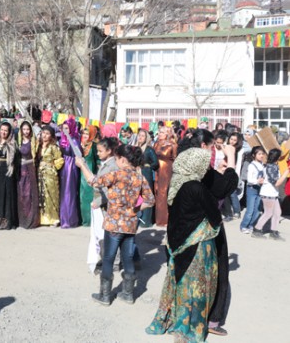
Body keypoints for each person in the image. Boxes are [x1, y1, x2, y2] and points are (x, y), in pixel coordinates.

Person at [146, 147, 225, 342]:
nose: (206, 170)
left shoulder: (177, 184)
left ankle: (175, 320)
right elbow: (215, 217)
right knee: (196, 287)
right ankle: (189, 328)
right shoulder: (197, 188)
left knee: (179, 282)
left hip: (177, 242)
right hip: (197, 244)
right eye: (204, 166)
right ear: (196, 166)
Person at [77, 144, 155, 306]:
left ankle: (105, 295)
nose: (115, 161)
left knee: (108, 258)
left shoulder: (116, 175)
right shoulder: (139, 177)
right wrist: (134, 209)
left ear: (123, 160)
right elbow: (150, 200)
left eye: (117, 158)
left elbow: (93, 181)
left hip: (114, 223)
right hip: (131, 223)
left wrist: (82, 165)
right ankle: (128, 293)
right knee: (127, 258)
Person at [86, 137, 119, 274]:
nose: (98, 154)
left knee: (111, 234)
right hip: (103, 204)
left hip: (107, 204)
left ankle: (114, 262)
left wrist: (98, 202)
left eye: (100, 151)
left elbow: (108, 190)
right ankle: (109, 259)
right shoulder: (105, 164)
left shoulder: (112, 166)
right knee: (105, 233)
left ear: (109, 151)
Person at [252, 148, 288, 240]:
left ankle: (273, 232)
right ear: (278, 157)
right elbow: (276, 183)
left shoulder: (271, 166)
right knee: (268, 213)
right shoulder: (271, 167)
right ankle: (256, 230)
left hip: (272, 193)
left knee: (277, 212)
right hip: (268, 193)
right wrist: (286, 173)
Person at [0, 122, 19, 229]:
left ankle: (6, 222)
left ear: (9, 132)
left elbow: (15, 161)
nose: (3, 132)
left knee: (6, 195)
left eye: (6, 130)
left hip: (7, 172)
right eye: (2, 130)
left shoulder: (12, 144)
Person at [36, 125, 64, 226]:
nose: (45, 135)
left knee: (51, 195)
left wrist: (52, 167)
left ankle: (53, 218)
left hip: (50, 174)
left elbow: (60, 160)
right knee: (41, 195)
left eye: (47, 134)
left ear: (51, 136)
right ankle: (43, 219)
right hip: (39, 174)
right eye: (43, 133)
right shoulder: (37, 145)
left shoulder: (53, 147)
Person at [59, 118, 81, 228]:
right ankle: (63, 218)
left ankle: (70, 219)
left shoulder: (74, 141)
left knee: (69, 193)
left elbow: (78, 155)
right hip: (63, 167)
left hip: (70, 168)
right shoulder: (62, 139)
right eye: (63, 128)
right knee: (63, 193)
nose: (65, 131)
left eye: (67, 128)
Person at [134, 129, 159, 227]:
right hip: (135, 174)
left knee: (146, 195)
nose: (140, 137)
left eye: (143, 136)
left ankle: (146, 221)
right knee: (136, 195)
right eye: (139, 135)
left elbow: (156, 163)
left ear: (146, 138)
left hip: (146, 174)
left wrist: (148, 166)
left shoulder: (149, 149)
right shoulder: (135, 148)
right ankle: (137, 217)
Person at [17, 121, 39, 228]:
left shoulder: (34, 142)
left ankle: (31, 218)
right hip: (20, 169)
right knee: (21, 193)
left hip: (30, 169)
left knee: (29, 194)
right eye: (24, 129)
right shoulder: (18, 141)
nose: (26, 131)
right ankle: (22, 218)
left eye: (27, 129)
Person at [240, 146, 266, 233]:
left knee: (257, 210)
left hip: (260, 189)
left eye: (262, 154)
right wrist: (257, 181)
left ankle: (251, 225)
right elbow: (249, 179)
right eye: (259, 154)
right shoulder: (251, 165)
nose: (261, 155)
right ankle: (243, 226)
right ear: (254, 155)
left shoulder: (262, 165)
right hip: (252, 189)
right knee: (250, 210)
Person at [154, 126, 177, 226]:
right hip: (156, 169)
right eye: (159, 132)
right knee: (157, 192)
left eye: (162, 132)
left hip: (167, 170)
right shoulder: (156, 144)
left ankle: (166, 219)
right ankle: (158, 218)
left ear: (167, 134)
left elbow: (175, 159)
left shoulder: (173, 145)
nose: (160, 134)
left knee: (164, 193)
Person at [79, 125, 99, 227]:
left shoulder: (94, 146)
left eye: (87, 134)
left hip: (90, 173)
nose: (85, 135)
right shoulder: (79, 144)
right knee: (81, 197)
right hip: (80, 173)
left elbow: (98, 160)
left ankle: (90, 221)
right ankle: (83, 220)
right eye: (84, 133)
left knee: (88, 197)